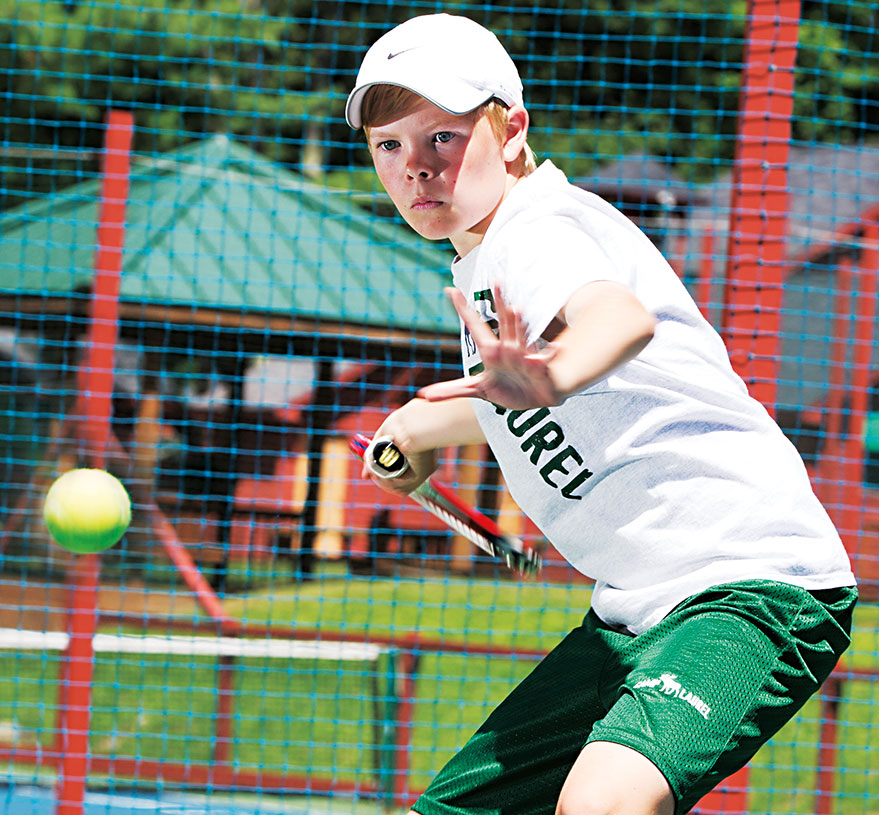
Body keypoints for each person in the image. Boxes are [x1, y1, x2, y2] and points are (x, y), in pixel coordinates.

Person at [345, 13, 857, 815]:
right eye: (389, 146)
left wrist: (549, 379)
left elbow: (616, 321)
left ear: (511, 130)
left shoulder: (537, 230)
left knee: (604, 803)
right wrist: (416, 424)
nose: (416, 168)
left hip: (751, 586)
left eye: (442, 138)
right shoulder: (487, 260)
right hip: (629, 614)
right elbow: (512, 402)